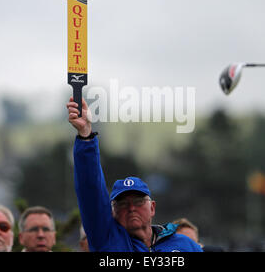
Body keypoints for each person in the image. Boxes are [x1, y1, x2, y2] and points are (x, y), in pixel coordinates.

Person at [67, 97, 203, 252]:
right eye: (123, 204)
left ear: (152, 207)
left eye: (138, 202)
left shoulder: (184, 244)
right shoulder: (107, 240)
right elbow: (91, 190)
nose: (131, 208)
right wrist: (86, 136)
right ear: (113, 212)